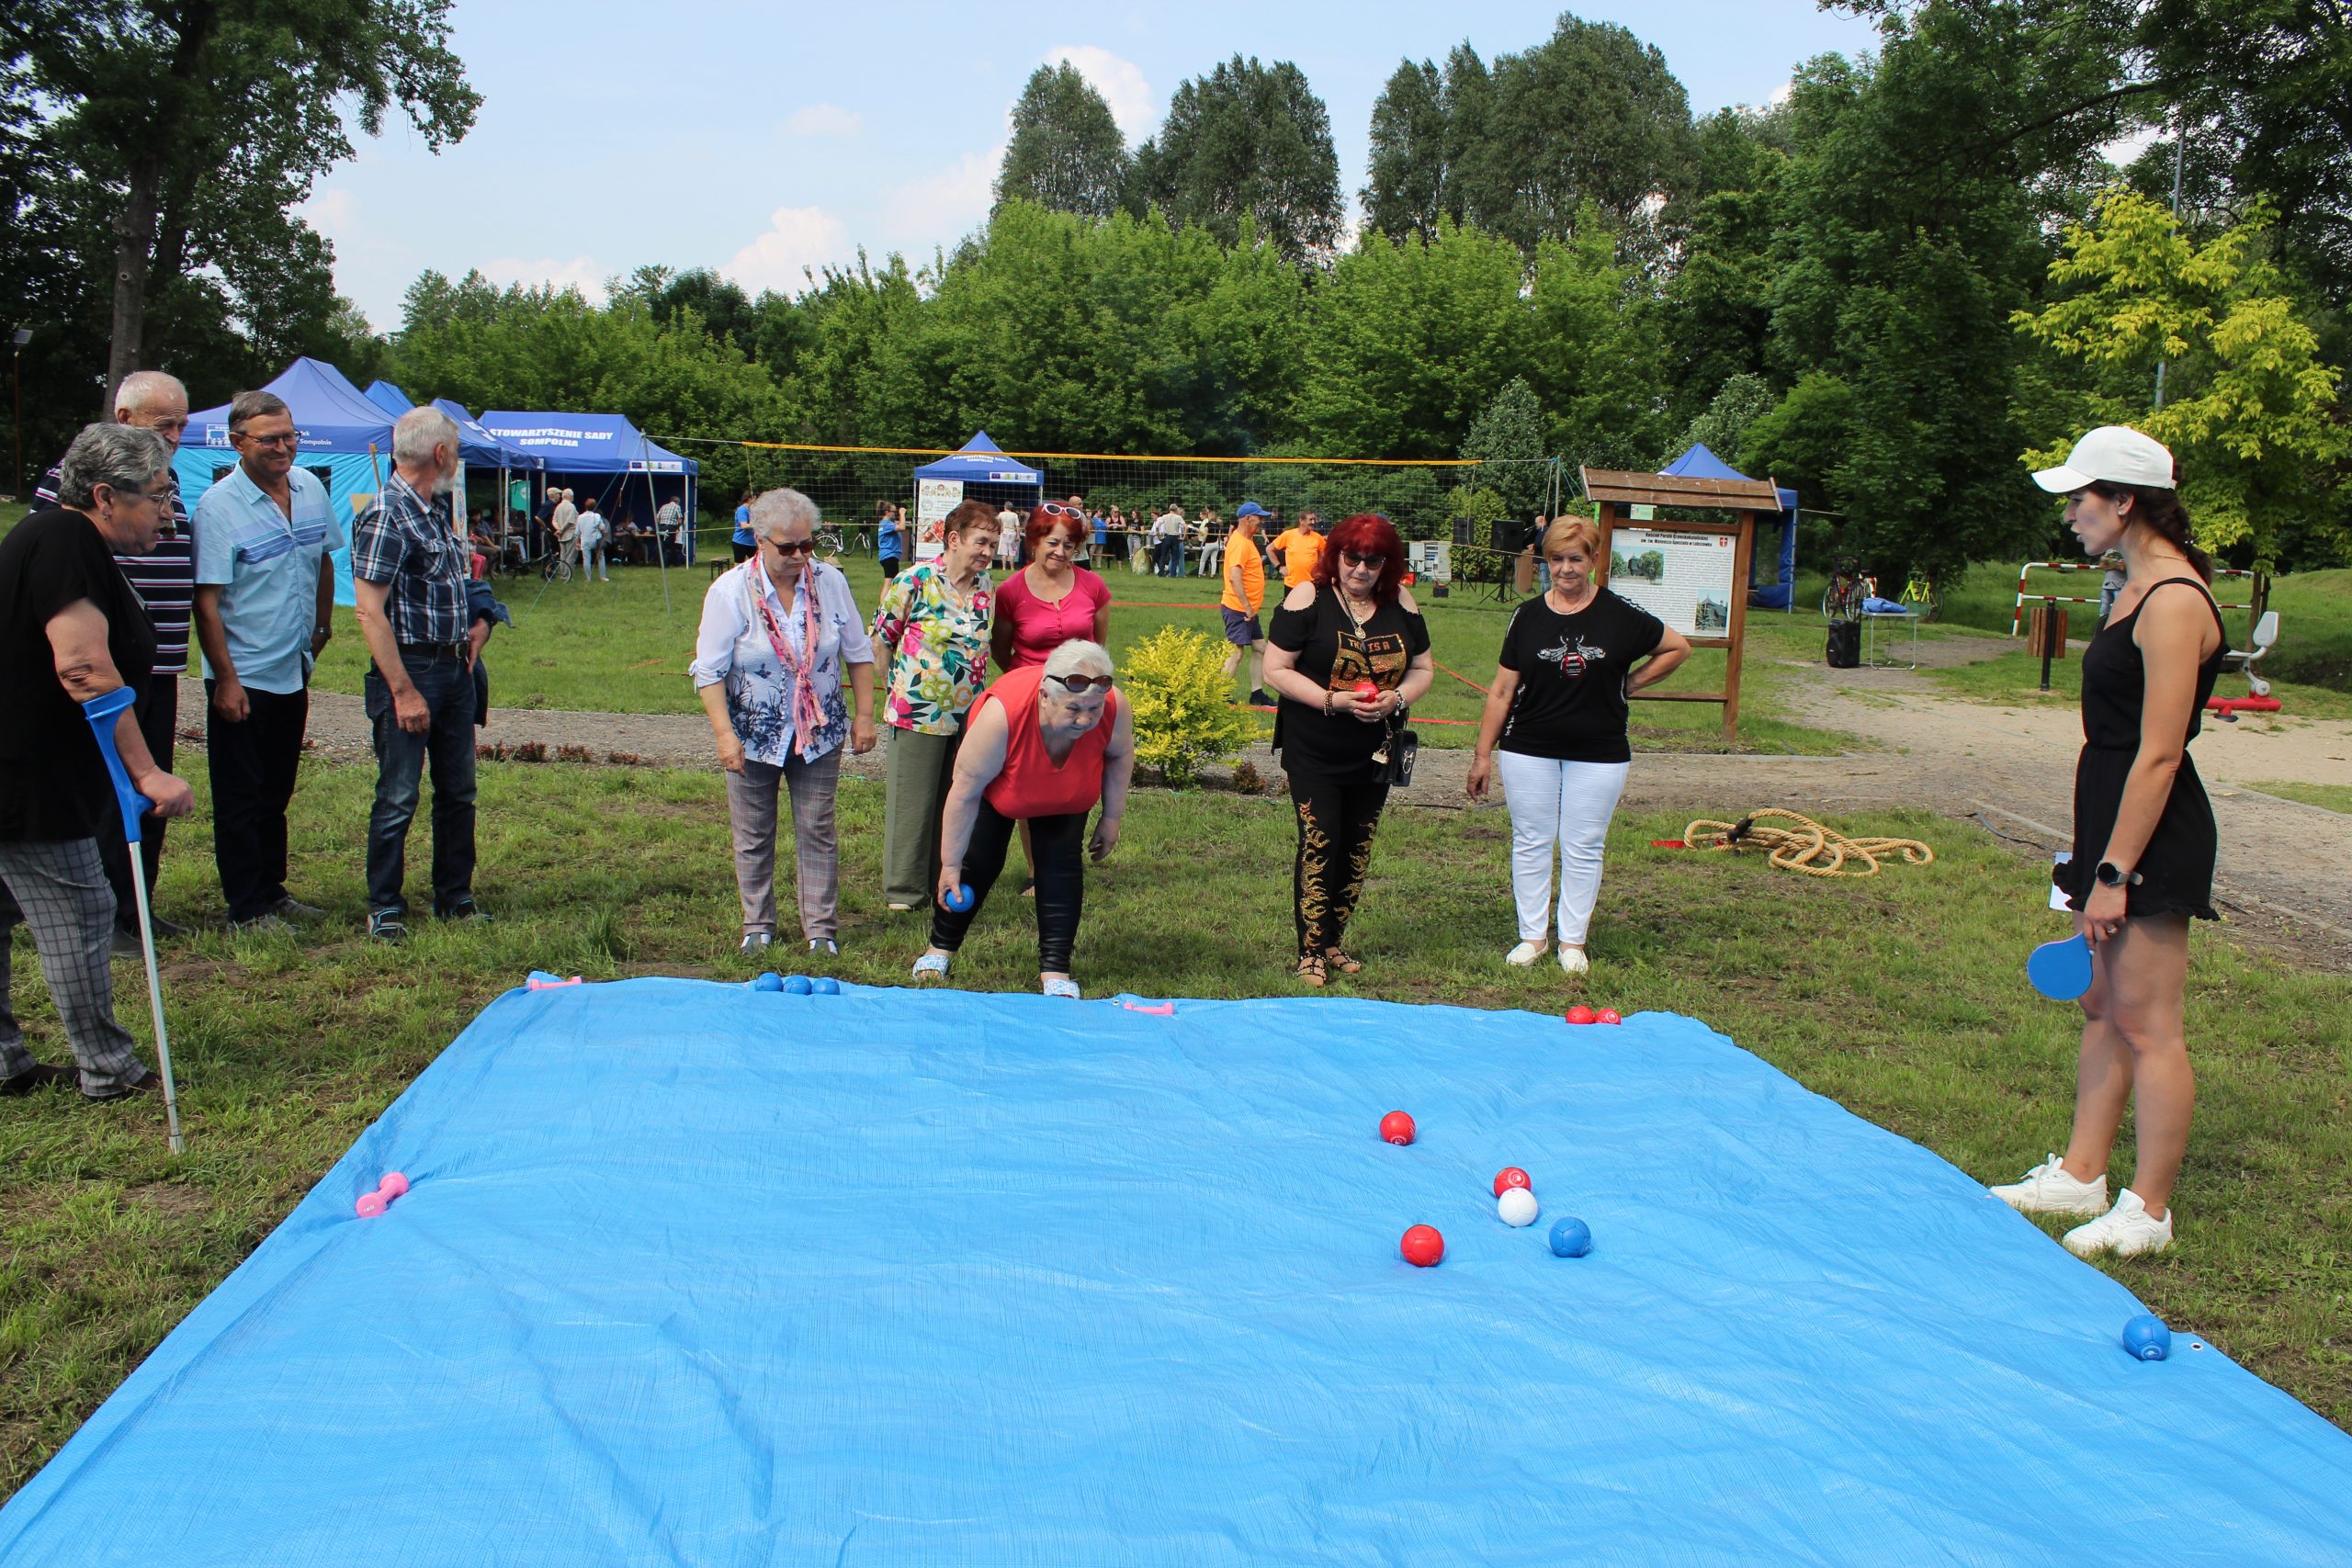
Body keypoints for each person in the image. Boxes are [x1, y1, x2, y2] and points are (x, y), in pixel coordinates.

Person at [1989, 426, 2228, 1259]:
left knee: (2147, 1021)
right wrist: (2093, 852)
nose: (2069, 515)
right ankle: (2081, 1173)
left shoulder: (2175, 600)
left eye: (2079, 499)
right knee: (2100, 1004)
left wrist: (2116, 871)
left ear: (2125, 501)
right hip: (2108, 815)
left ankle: (2148, 1211)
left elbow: (2159, 753)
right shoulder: (2130, 587)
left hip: (2151, 830)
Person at [1, 423, 197, 1100]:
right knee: (82, 911)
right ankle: (108, 1069)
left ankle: (6, 1061)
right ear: (106, 495)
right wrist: (146, 772)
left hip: (24, 765)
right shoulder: (65, 539)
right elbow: (83, 667)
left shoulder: (59, 540)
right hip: (28, 778)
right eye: (158, 497)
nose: (168, 515)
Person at [1465, 516, 1691, 976]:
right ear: (1546, 562)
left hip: (1600, 749)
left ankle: (1573, 942)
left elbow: (1677, 648)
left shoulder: (1620, 613)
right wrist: (1482, 754)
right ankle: (1532, 937)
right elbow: (1502, 690)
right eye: (1556, 559)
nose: (1565, 569)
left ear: (1593, 560)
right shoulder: (1527, 616)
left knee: (1584, 844)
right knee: (1531, 840)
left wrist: (1630, 684)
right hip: (1528, 745)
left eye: (1575, 558)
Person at [33, 370, 195, 948]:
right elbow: (67, 611)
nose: (175, 434)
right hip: (105, 667)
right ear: (125, 419)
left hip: (157, 663)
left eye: (182, 424)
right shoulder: (71, 500)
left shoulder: (161, 477)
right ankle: (101, 915)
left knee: (148, 795)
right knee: (109, 791)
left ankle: (135, 907)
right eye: (164, 422)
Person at [695, 489, 877, 957]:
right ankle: (757, 925)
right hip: (753, 734)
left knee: (817, 828)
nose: (800, 556)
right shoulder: (729, 591)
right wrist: (725, 736)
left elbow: (858, 653)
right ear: (759, 540)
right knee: (753, 832)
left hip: (819, 732)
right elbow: (709, 672)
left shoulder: (830, 582)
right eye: (788, 547)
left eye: (808, 544)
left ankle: (821, 931)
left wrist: (864, 716)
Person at [191, 389, 343, 932]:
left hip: (291, 667)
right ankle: (246, 906)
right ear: (238, 442)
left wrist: (321, 629)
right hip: (244, 674)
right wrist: (225, 680)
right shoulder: (218, 508)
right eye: (270, 440)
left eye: (290, 436)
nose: (283, 448)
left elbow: (324, 559)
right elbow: (206, 602)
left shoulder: (308, 488)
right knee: (240, 795)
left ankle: (272, 890)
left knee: (276, 789)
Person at [1262, 513, 1435, 987]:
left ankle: (1333, 941)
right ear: (1335, 556)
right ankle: (1310, 951)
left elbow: (1423, 669)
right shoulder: (1308, 597)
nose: (1360, 569)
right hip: (1315, 747)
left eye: (1372, 561)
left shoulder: (1401, 601)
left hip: (1376, 752)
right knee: (1321, 842)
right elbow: (1275, 669)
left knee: (1358, 847)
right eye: (1352, 558)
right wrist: (1331, 700)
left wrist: (1398, 698)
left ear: (1387, 564)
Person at [911, 640, 1134, 998]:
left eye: (1094, 709)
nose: (1085, 719)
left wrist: (1112, 817)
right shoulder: (1001, 716)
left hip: (1067, 789)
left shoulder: (1114, 706)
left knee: (1060, 865)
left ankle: (1056, 969)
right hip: (1000, 784)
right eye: (1073, 708)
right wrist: (950, 864)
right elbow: (964, 792)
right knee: (979, 862)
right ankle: (940, 947)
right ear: (1045, 696)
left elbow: (1120, 755)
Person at [350, 407, 485, 944]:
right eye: (456, 450)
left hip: (454, 668)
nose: (457, 460)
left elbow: (456, 586)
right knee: (398, 795)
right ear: (440, 453)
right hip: (412, 669)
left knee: (458, 791)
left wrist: (479, 625)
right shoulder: (388, 514)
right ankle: (385, 905)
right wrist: (402, 690)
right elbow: (369, 612)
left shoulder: (434, 511)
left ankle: (455, 896)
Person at [871, 500, 1000, 911]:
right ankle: (904, 892)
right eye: (981, 542)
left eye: (993, 544)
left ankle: (939, 882)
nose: (988, 551)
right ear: (954, 539)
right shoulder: (915, 579)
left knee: (953, 802)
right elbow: (881, 639)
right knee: (914, 803)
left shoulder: (987, 587)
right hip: (917, 710)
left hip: (969, 715)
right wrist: (893, 689)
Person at [991, 502, 1114, 898]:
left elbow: (1098, 645)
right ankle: (1035, 872)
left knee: (1075, 780)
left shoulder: (1094, 587)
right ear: (1034, 541)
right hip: (1032, 700)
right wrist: (1030, 682)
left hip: (1082, 702)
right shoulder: (1009, 591)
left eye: (1069, 545)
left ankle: (1062, 862)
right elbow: (1001, 648)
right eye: (1053, 542)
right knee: (1030, 785)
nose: (1061, 552)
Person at [1221, 503, 1271, 705]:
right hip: (1239, 609)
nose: (1262, 521)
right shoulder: (1240, 543)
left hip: (1248, 609)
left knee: (1260, 648)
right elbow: (1235, 577)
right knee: (1236, 651)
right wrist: (1248, 608)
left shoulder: (1247, 540)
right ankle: (1221, 696)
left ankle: (1257, 694)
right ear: (1247, 518)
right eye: (1259, 517)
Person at [1270, 510, 1325, 591]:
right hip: (1291, 584)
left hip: (1311, 584)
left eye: (1314, 519)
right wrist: (1279, 567)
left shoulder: (1318, 538)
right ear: (1301, 521)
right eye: (1310, 519)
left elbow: (1325, 555)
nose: (1313, 522)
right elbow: (1269, 549)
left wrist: (1320, 570)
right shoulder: (1288, 535)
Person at [577, 495, 609, 582]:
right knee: (601, 557)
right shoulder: (597, 516)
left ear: (585, 506)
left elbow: (577, 532)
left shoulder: (580, 517)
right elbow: (602, 527)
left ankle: (588, 579)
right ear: (595, 507)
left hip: (585, 541)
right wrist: (604, 532)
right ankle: (603, 577)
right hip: (596, 540)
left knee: (586, 560)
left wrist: (577, 542)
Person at [550, 488, 580, 581]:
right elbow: (570, 521)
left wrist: (558, 529)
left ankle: (563, 575)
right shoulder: (571, 506)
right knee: (570, 557)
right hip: (571, 534)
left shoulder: (558, 507)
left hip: (561, 535)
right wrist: (561, 530)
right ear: (571, 496)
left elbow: (554, 520)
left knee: (563, 556)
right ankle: (568, 576)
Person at [1151, 502, 1186, 576]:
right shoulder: (1178, 517)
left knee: (1163, 556)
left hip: (1167, 537)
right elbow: (1186, 527)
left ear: (1169, 509)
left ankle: (1161, 572)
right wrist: (1183, 537)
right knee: (1174, 557)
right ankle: (1173, 574)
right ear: (1176, 510)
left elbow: (1157, 527)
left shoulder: (1164, 517)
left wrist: (1159, 536)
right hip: (1175, 538)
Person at [876, 500, 906, 581]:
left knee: (894, 582)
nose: (895, 514)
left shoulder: (887, 523)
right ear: (887, 512)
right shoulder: (886, 524)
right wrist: (902, 513)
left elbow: (900, 525)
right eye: (894, 512)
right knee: (889, 582)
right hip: (889, 556)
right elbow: (902, 527)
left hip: (890, 556)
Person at [655, 495, 685, 566]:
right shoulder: (677, 507)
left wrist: (659, 526)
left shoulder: (663, 506)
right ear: (677, 501)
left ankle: (663, 563)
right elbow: (680, 519)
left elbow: (657, 518)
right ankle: (665, 564)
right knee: (668, 547)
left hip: (661, 528)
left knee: (661, 545)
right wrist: (678, 527)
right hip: (670, 527)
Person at [732, 489, 757, 564]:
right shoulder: (742, 510)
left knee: (755, 564)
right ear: (750, 499)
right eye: (754, 498)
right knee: (739, 565)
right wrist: (757, 524)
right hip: (740, 542)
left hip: (751, 543)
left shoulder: (751, 510)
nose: (756, 500)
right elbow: (744, 526)